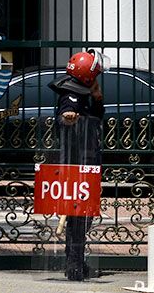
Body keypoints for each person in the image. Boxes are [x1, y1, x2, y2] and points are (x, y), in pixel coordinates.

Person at [50, 50, 106, 282]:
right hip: (76, 162)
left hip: (87, 161)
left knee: (83, 215)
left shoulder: (85, 93)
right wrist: (68, 116)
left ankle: (76, 260)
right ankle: (74, 263)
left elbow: (96, 115)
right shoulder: (71, 94)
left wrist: (97, 98)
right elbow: (66, 113)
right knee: (78, 215)